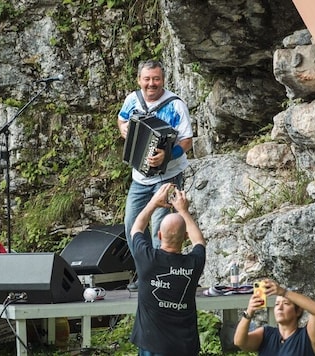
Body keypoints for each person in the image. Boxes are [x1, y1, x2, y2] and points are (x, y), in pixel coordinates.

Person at [118, 59, 194, 252]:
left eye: (156, 79)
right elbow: (121, 119)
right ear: (138, 80)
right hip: (140, 177)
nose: (151, 83)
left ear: (163, 80)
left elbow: (187, 141)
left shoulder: (176, 105)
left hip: (168, 176)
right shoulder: (132, 100)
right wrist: (123, 129)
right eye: (147, 79)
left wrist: (166, 156)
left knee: (161, 229)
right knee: (132, 225)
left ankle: (159, 275)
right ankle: (145, 272)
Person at [129, 183, 206, 356]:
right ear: (185, 237)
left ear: (159, 235)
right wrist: (184, 211)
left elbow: (136, 228)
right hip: (185, 347)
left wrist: (153, 203)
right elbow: (199, 242)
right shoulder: (194, 263)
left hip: (152, 346)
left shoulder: (146, 258)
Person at [234, 279, 315, 356]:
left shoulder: (307, 336)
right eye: (277, 304)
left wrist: (284, 292)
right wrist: (249, 312)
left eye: (286, 304)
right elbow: (240, 342)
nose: (280, 308)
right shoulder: (266, 334)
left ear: (298, 311)